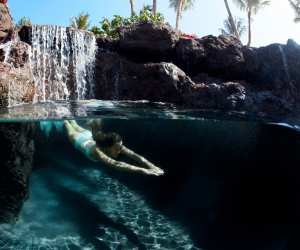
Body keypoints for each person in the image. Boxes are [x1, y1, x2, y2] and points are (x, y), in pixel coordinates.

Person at [64, 120, 164, 176]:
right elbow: (116, 164)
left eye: (120, 147)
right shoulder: (97, 151)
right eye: (117, 148)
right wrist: (144, 170)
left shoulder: (116, 145)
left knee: (74, 123)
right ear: (108, 147)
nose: (120, 150)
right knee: (66, 122)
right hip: (77, 139)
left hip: (88, 135)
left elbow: (134, 155)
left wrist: (152, 166)